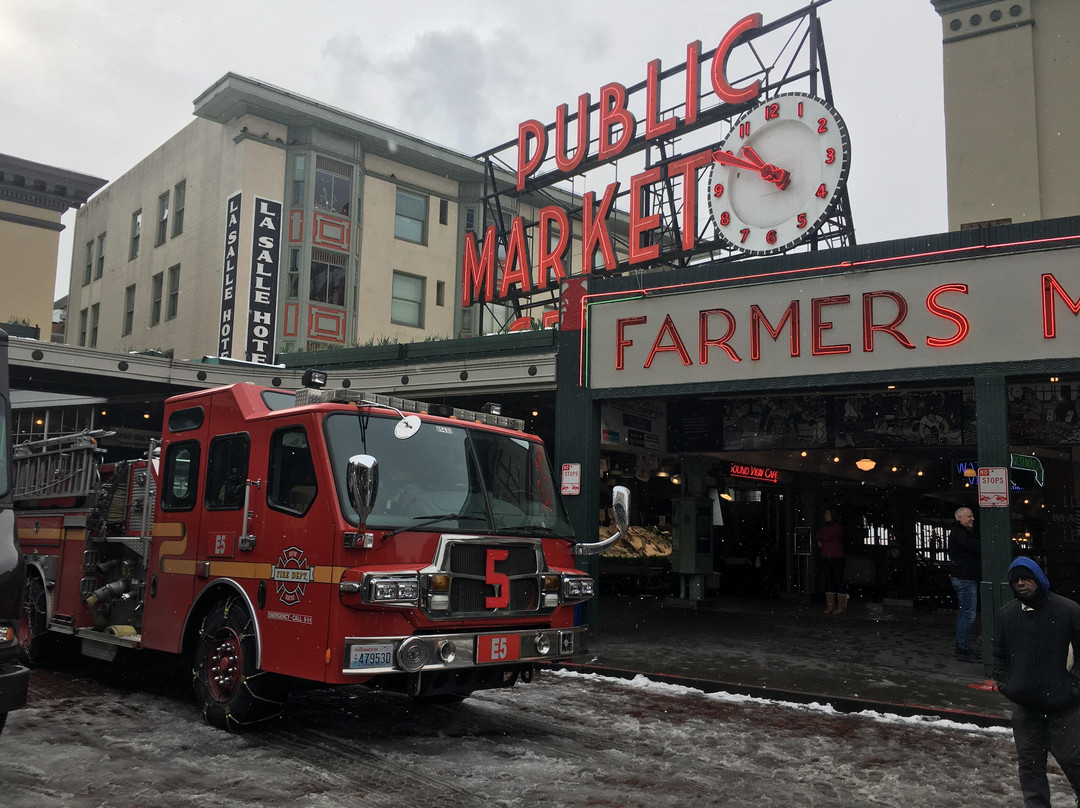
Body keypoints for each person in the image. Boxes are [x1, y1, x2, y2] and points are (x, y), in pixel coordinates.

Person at [993, 557, 1080, 807]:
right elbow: (999, 655)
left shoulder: (1068, 610)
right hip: (1026, 707)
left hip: (1065, 707)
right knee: (1030, 766)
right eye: (1015, 580)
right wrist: (1007, 684)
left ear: (1039, 580)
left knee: (1075, 761)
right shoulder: (1007, 614)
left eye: (1026, 578)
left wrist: (1074, 689)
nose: (1020, 583)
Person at [948, 506, 981, 662]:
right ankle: (963, 648)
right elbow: (975, 547)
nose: (972, 518)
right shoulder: (961, 534)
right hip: (966, 577)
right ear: (959, 518)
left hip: (962, 576)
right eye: (969, 516)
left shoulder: (957, 533)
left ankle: (962, 647)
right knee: (967, 615)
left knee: (965, 614)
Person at [816, 508, 847, 615]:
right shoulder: (828, 527)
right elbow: (821, 535)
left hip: (836, 558)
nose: (825, 515)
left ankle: (840, 606)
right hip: (828, 557)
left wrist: (821, 538)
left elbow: (826, 536)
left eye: (827, 513)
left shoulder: (837, 527)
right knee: (829, 581)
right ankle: (831, 606)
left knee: (838, 580)